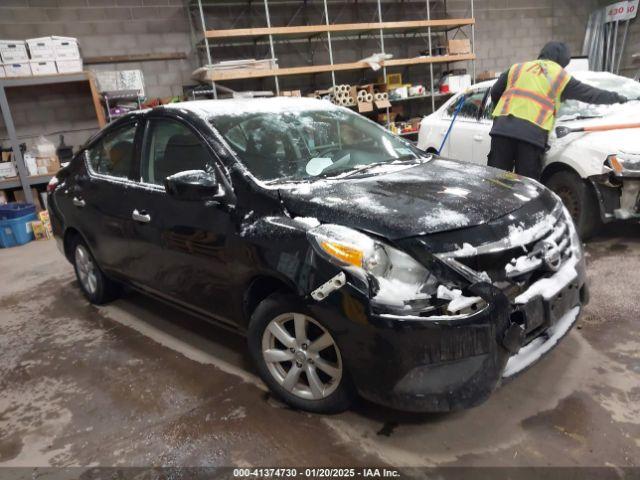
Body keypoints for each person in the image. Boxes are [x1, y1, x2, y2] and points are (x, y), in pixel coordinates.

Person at [488, 41, 627, 180]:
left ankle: (494, 201)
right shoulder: (560, 76)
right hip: (531, 136)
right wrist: (618, 97)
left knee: (497, 180)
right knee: (527, 185)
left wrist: (500, 116)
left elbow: (495, 91)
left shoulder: (518, 68)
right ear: (563, 61)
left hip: (502, 131)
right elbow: (590, 94)